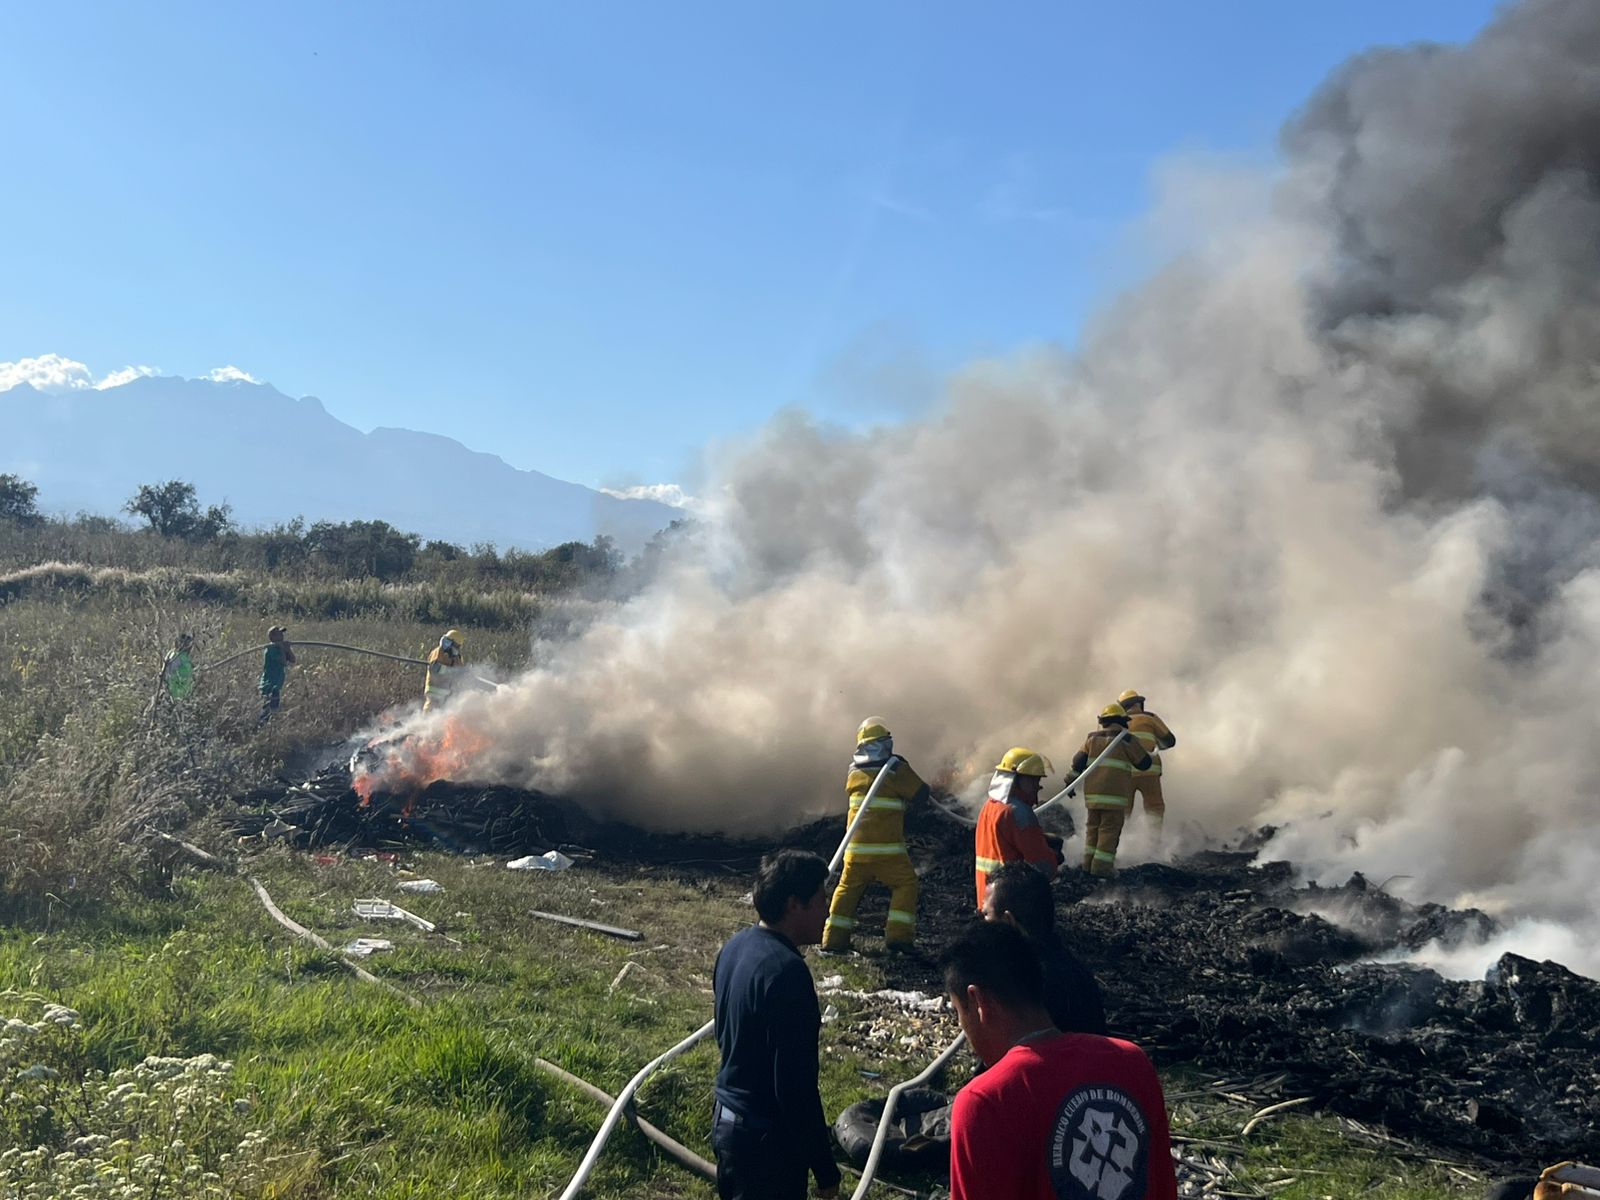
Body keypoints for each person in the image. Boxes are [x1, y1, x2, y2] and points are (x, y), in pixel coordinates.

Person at [940, 922, 1177, 1200]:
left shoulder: (984, 1101)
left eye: (958, 1012)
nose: (962, 1027)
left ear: (977, 1001)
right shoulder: (1131, 1062)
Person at [712, 849, 842, 1200]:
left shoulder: (736, 946)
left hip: (728, 1124)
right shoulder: (787, 974)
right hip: (766, 1146)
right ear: (793, 904)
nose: (827, 910)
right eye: (820, 899)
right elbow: (795, 1087)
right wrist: (825, 1169)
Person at [821, 717, 929, 955]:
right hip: (887, 852)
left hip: (855, 851)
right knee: (905, 884)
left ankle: (833, 941)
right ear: (886, 743)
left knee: (847, 889)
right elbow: (921, 794)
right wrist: (904, 766)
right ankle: (899, 938)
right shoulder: (894, 769)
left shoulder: (853, 772)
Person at [982, 863, 1107, 1035]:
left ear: (1008, 921)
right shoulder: (1067, 965)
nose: (983, 923)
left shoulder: (1028, 985)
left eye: (986, 914)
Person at [1067, 705, 1153, 879]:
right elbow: (1144, 763)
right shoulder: (1126, 739)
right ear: (1122, 721)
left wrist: (1069, 783)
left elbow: (1078, 762)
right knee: (1109, 831)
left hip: (1092, 797)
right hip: (1114, 798)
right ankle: (1102, 869)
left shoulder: (1091, 739)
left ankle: (1088, 864)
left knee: (1092, 829)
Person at [973, 747, 1061, 910]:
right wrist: (1054, 857)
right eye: (1033, 780)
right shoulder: (1019, 813)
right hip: (1012, 904)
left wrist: (1041, 839)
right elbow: (1043, 867)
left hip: (987, 903)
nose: (1037, 786)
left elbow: (1003, 843)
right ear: (1015, 779)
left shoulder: (990, 807)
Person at [1118, 690, 1176, 836]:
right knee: (1154, 807)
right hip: (1150, 771)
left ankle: (1120, 843)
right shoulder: (1150, 717)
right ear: (1139, 703)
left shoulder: (1117, 721)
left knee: (1124, 810)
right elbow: (1170, 740)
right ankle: (1153, 843)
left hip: (1126, 773)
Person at [258, 625, 296, 726]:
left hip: (276, 685)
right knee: (267, 711)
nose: (282, 635)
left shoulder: (281, 647)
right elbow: (283, 662)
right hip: (268, 685)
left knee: (274, 710)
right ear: (273, 637)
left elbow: (292, 660)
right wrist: (282, 648)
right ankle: (260, 729)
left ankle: (266, 730)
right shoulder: (271, 649)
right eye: (279, 633)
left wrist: (287, 649)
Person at [424, 629, 465, 712]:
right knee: (430, 710)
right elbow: (434, 669)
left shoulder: (457, 658)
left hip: (447, 692)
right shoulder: (438, 652)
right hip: (434, 689)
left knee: (443, 714)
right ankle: (422, 723)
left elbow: (460, 670)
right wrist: (452, 671)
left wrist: (464, 673)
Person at [161, 633, 195, 701]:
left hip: (184, 694)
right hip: (175, 694)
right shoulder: (176, 656)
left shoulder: (185, 657)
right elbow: (167, 673)